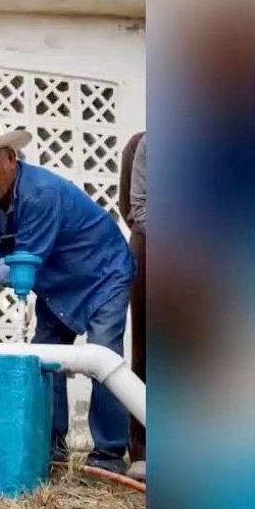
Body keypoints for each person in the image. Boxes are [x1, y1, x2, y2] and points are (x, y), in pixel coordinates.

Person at [0, 117, 135, 475]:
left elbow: (23, 264)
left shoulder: (42, 193)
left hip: (103, 274)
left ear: (10, 158)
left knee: (104, 358)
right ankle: (51, 451)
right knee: (45, 360)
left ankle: (108, 457)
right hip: (56, 283)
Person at [118, 132, 146, 481]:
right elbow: (134, 207)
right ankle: (142, 450)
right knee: (148, 352)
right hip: (154, 246)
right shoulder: (143, 142)